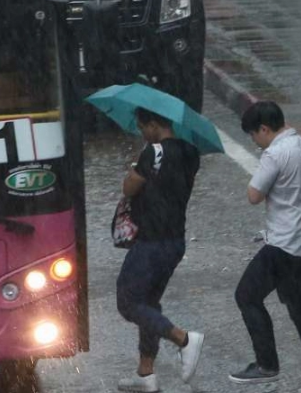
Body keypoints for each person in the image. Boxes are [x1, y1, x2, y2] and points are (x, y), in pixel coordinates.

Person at [231, 101, 301, 393]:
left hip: (285, 245)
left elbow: (253, 195)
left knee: (247, 295)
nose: (255, 143)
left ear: (264, 129)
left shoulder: (275, 154)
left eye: (254, 136)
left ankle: (266, 364)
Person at [115, 107, 204, 393]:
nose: (142, 133)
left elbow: (129, 188)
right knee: (148, 303)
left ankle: (183, 339)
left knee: (128, 302)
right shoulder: (191, 152)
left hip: (151, 241)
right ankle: (146, 373)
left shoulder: (154, 152)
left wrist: (134, 168)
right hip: (175, 241)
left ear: (153, 124)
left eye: (142, 127)